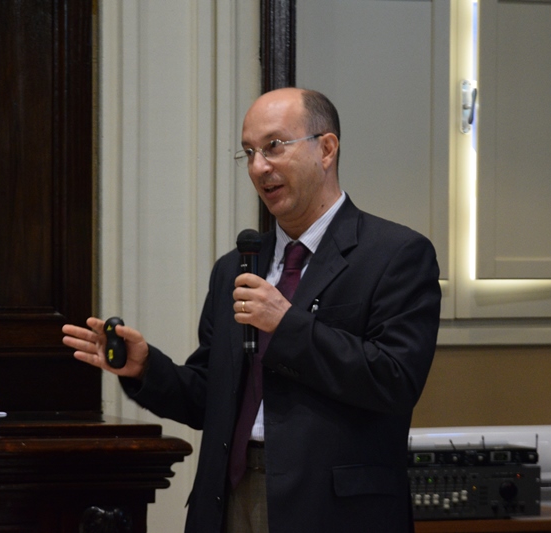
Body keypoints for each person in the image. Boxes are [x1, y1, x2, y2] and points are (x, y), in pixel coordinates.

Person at [62, 87, 441, 533]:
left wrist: (287, 323)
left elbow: (395, 380)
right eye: (249, 152)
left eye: (274, 146)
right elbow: (210, 399)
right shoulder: (238, 267)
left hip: (333, 510)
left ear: (326, 149)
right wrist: (146, 368)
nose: (259, 167)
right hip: (230, 499)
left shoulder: (395, 254)